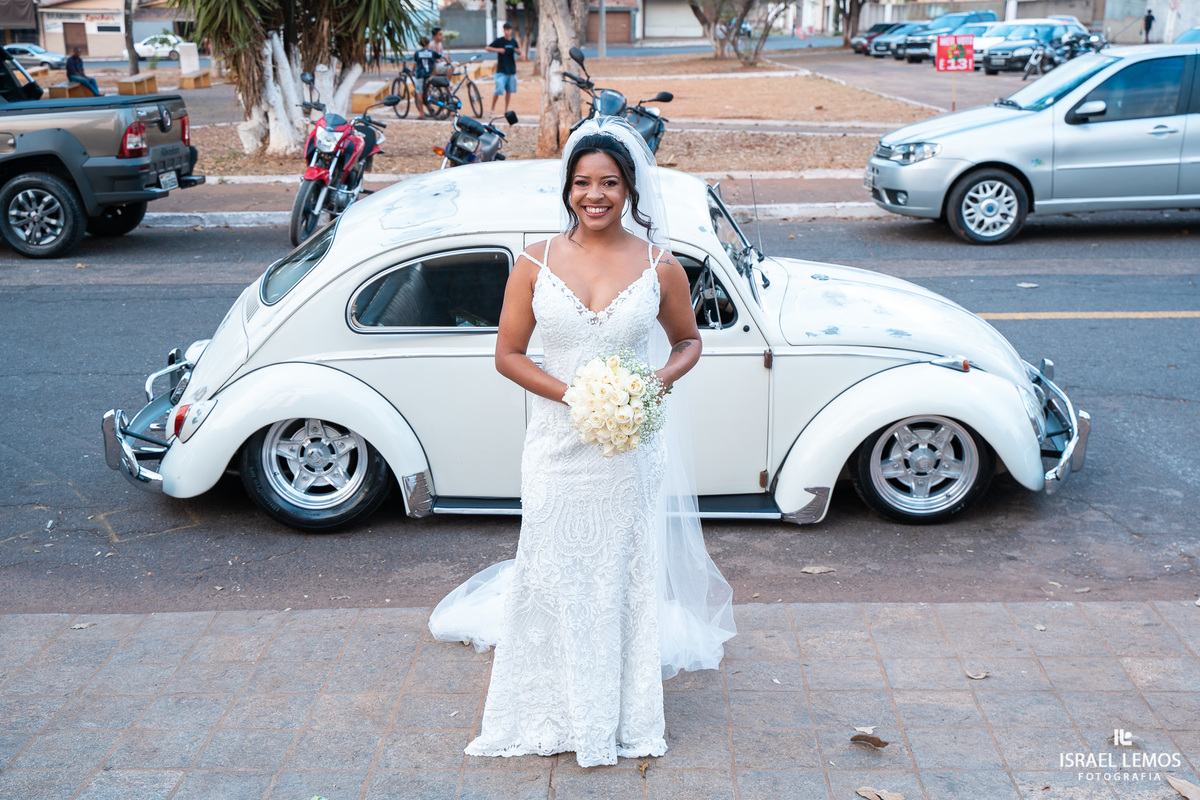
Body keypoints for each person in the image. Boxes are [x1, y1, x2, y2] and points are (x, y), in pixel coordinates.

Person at [428, 116, 736, 768]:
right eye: (583, 183)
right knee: (553, 573)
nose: (595, 196)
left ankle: (618, 719)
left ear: (629, 190)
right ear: (567, 188)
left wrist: (655, 382)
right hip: (554, 448)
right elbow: (508, 355)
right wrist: (571, 394)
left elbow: (689, 342)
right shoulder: (534, 261)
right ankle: (547, 708)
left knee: (618, 579)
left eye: (610, 184)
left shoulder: (660, 264)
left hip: (628, 451)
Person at [486, 21, 521, 113]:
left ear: (511, 31)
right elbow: (488, 48)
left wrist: (517, 51)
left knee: (509, 91)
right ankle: (492, 108)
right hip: (501, 70)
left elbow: (519, 51)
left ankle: (506, 109)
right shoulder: (499, 40)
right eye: (505, 30)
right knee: (498, 89)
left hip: (511, 70)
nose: (507, 32)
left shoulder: (513, 41)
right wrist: (499, 50)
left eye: (508, 30)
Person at [411, 37, 439, 118]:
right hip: (428, 74)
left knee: (419, 92)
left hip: (420, 75)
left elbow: (414, 64)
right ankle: (430, 108)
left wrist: (412, 71)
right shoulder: (431, 52)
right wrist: (448, 62)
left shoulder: (417, 53)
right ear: (428, 44)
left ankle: (421, 112)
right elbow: (441, 56)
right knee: (426, 91)